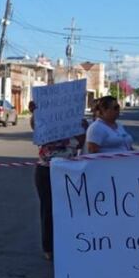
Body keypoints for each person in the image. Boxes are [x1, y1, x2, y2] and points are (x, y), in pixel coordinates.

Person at [29, 100, 84, 262]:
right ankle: (49, 247)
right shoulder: (45, 124)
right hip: (46, 170)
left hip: (70, 170)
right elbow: (35, 128)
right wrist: (35, 113)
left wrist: (77, 124)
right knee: (48, 209)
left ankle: (70, 242)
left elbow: (81, 142)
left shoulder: (77, 123)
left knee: (71, 208)